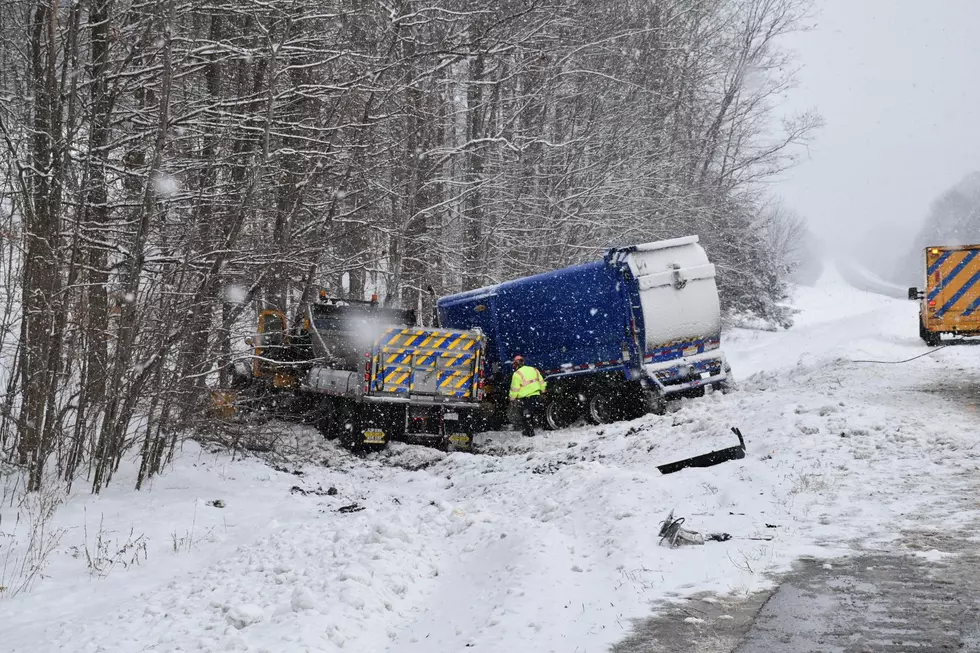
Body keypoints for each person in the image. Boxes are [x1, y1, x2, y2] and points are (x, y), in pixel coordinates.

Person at [509, 355, 547, 437]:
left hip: (526, 398)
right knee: (538, 411)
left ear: (515, 364)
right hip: (536, 395)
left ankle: (529, 432)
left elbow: (514, 389)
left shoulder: (517, 374)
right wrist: (543, 392)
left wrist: (512, 399)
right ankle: (544, 427)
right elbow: (542, 382)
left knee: (526, 416)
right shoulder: (534, 369)